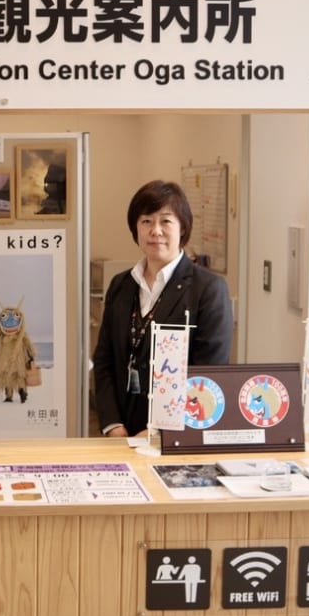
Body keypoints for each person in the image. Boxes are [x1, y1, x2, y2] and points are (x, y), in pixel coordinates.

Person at [92, 180, 233, 437]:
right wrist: (113, 425)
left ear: (183, 228)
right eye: (146, 221)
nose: (155, 230)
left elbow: (207, 376)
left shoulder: (208, 289)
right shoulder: (121, 284)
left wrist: (157, 432)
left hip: (177, 435)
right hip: (121, 433)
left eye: (166, 221)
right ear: (136, 229)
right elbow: (104, 361)